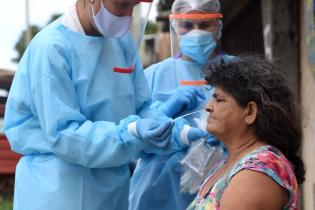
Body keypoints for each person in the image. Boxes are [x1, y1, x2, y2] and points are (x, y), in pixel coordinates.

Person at [2, 0, 201, 210]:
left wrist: (179, 132)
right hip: (60, 189)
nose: (127, 15)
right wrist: (130, 132)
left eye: (132, 7)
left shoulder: (121, 42)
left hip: (114, 187)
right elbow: (64, 134)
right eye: (122, 5)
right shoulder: (51, 48)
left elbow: (142, 107)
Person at [129, 0, 233, 209]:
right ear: (175, 26)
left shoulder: (238, 71)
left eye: (205, 25)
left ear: (218, 27)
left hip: (223, 185)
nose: (196, 32)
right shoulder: (151, 76)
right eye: (187, 25)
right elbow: (131, 145)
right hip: (157, 192)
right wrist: (163, 118)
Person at [187, 55, 305, 209]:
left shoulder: (257, 173)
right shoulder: (233, 162)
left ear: (250, 112)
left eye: (219, 100)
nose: (208, 107)